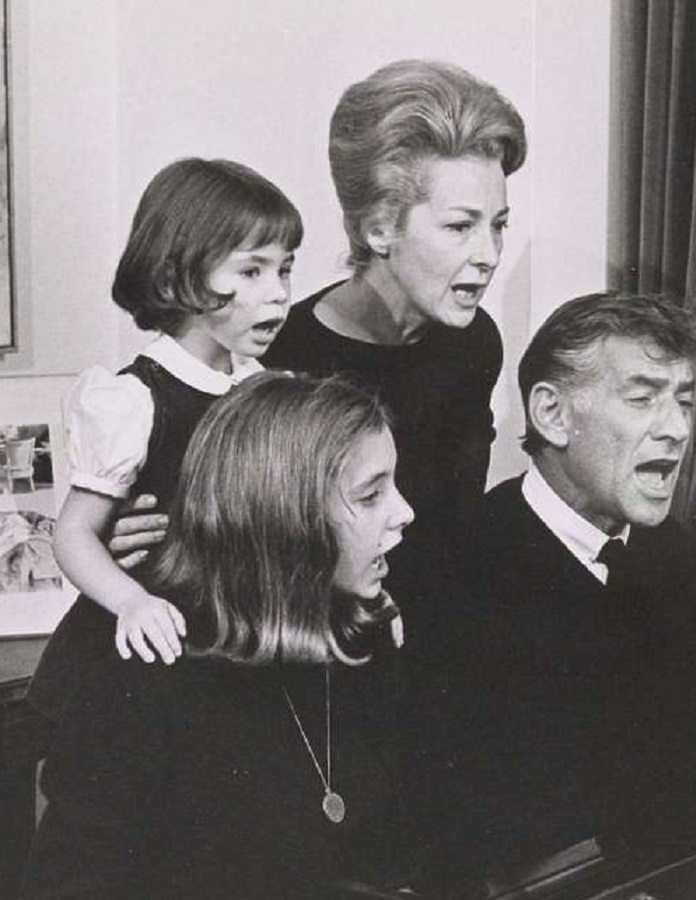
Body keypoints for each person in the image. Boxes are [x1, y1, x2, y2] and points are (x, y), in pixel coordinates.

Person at [20, 373, 417, 900]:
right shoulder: (135, 692)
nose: (404, 512)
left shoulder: (364, 643)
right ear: (283, 519)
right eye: (370, 495)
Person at [415, 292, 696, 879]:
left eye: (683, 400)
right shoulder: (459, 569)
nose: (677, 429)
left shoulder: (666, 549)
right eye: (642, 398)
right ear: (552, 414)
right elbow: (478, 828)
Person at [29, 158, 302, 721]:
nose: (278, 295)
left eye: (284, 270)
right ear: (178, 279)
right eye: (252, 272)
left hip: (226, 646)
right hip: (143, 651)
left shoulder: (266, 390)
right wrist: (130, 601)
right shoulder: (134, 399)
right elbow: (74, 534)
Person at [263, 58, 527, 574]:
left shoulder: (474, 342)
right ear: (379, 229)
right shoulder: (281, 356)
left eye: (498, 225)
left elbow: (459, 527)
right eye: (459, 227)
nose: (490, 254)